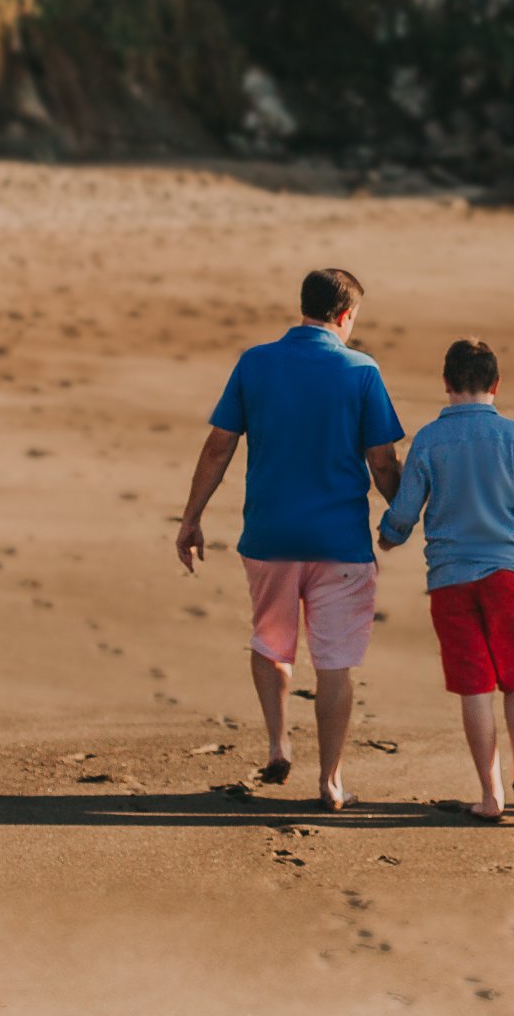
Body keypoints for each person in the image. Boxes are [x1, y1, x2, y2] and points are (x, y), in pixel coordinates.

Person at [177, 268, 404, 811]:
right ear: (346, 316)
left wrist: (191, 517)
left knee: (270, 643)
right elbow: (382, 461)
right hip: (341, 543)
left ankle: (280, 744)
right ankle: (330, 780)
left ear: (304, 305)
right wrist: (408, 515)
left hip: (270, 536)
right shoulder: (361, 370)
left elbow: (218, 448)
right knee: (334, 664)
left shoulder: (256, 363)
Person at [377, 338, 514, 823]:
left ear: (446, 383)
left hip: (451, 578)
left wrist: (388, 537)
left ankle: (491, 792)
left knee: (475, 685)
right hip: (509, 572)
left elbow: (404, 512)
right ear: (496, 385)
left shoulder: (428, 440)